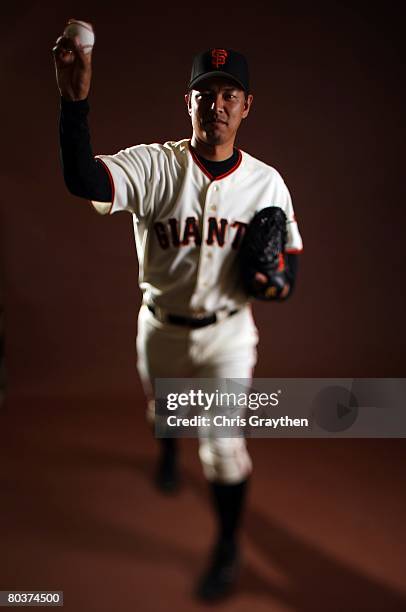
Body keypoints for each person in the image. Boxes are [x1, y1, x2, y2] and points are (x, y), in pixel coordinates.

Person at [52, 29, 303, 601]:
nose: (216, 104)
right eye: (204, 93)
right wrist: (74, 104)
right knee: (163, 411)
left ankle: (228, 545)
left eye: (228, 94)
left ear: (246, 106)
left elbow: (287, 274)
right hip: (160, 326)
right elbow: (83, 179)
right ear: (187, 102)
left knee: (222, 446)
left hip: (227, 336)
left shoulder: (268, 183)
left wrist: (274, 283)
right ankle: (167, 450)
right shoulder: (155, 166)